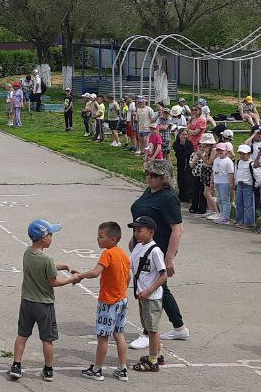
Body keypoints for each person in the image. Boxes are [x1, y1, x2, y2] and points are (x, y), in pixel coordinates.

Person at [128, 160, 188, 347]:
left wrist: (169, 257)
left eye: (154, 175)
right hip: (142, 245)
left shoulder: (168, 198)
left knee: (149, 286)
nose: (149, 177)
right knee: (161, 288)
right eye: (148, 174)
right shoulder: (149, 192)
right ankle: (179, 327)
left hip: (157, 248)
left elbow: (177, 230)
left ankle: (148, 332)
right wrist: (134, 237)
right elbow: (143, 218)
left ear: (165, 178)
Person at [8, 219, 74, 382]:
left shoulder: (27, 252)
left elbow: (48, 266)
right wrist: (73, 278)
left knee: (22, 335)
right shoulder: (46, 259)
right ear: (44, 238)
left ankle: (16, 365)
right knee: (47, 339)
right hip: (44, 304)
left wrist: (64, 266)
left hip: (27, 302)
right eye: (51, 234)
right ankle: (48, 369)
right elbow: (54, 281)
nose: (52, 237)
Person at [69, 221, 131, 382]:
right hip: (121, 301)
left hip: (108, 302)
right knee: (119, 334)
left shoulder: (108, 253)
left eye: (101, 237)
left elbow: (96, 272)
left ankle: (97, 369)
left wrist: (80, 276)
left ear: (113, 239)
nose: (98, 239)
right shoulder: (123, 254)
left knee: (103, 337)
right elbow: (128, 277)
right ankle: (123, 368)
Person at [127, 217, 168, 374]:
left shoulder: (155, 251)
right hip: (142, 295)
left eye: (140, 230)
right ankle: (157, 354)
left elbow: (163, 275)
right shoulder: (138, 247)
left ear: (151, 232)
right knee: (150, 327)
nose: (136, 233)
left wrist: (149, 290)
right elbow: (129, 264)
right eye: (135, 230)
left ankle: (153, 360)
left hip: (151, 296)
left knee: (152, 329)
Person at [190, 134, 215, 216]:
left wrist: (200, 155)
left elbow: (208, 162)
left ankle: (215, 211)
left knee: (206, 193)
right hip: (202, 173)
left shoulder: (213, 150)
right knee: (204, 192)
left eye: (205, 144)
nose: (203, 146)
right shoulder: (205, 151)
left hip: (209, 172)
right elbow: (192, 164)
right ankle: (211, 211)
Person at [210, 143, 234, 225]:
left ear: (226, 151)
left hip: (224, 183)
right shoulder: (216, 160)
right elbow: (213, 172)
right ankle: (222, 215)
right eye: (218, 150)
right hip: (217, 182)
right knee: (219, 199)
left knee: (225, 200)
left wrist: (231, 183)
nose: (219, 151)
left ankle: (226, 217)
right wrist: (212, 182)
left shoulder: (228, 161)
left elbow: (230, 173)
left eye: (221, 150)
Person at [234, 144, 257, 229]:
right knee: (239, 203)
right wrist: (235, 182)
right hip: (240, 185)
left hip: (248, 185)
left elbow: (257, 175)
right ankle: (239, 221)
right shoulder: (239, 162)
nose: (242, 156)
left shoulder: (251, 163)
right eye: (240, 154)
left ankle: (249, 223)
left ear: (249, 154)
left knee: (248, 205)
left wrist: (256, 185)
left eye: (244, 154)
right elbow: (237, 172)